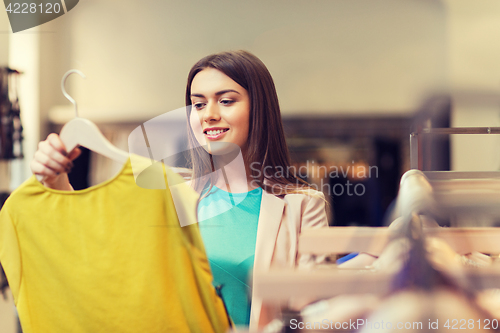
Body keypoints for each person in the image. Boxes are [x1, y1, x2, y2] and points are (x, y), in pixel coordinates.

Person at [30, 50, 329, 330]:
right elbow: (92, 244)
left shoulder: (301, 207)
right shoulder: (166, 192)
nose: (208, 114)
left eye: (226, 101)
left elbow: (316, 312)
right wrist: (55, 178)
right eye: (198, 104)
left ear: (259, 108)